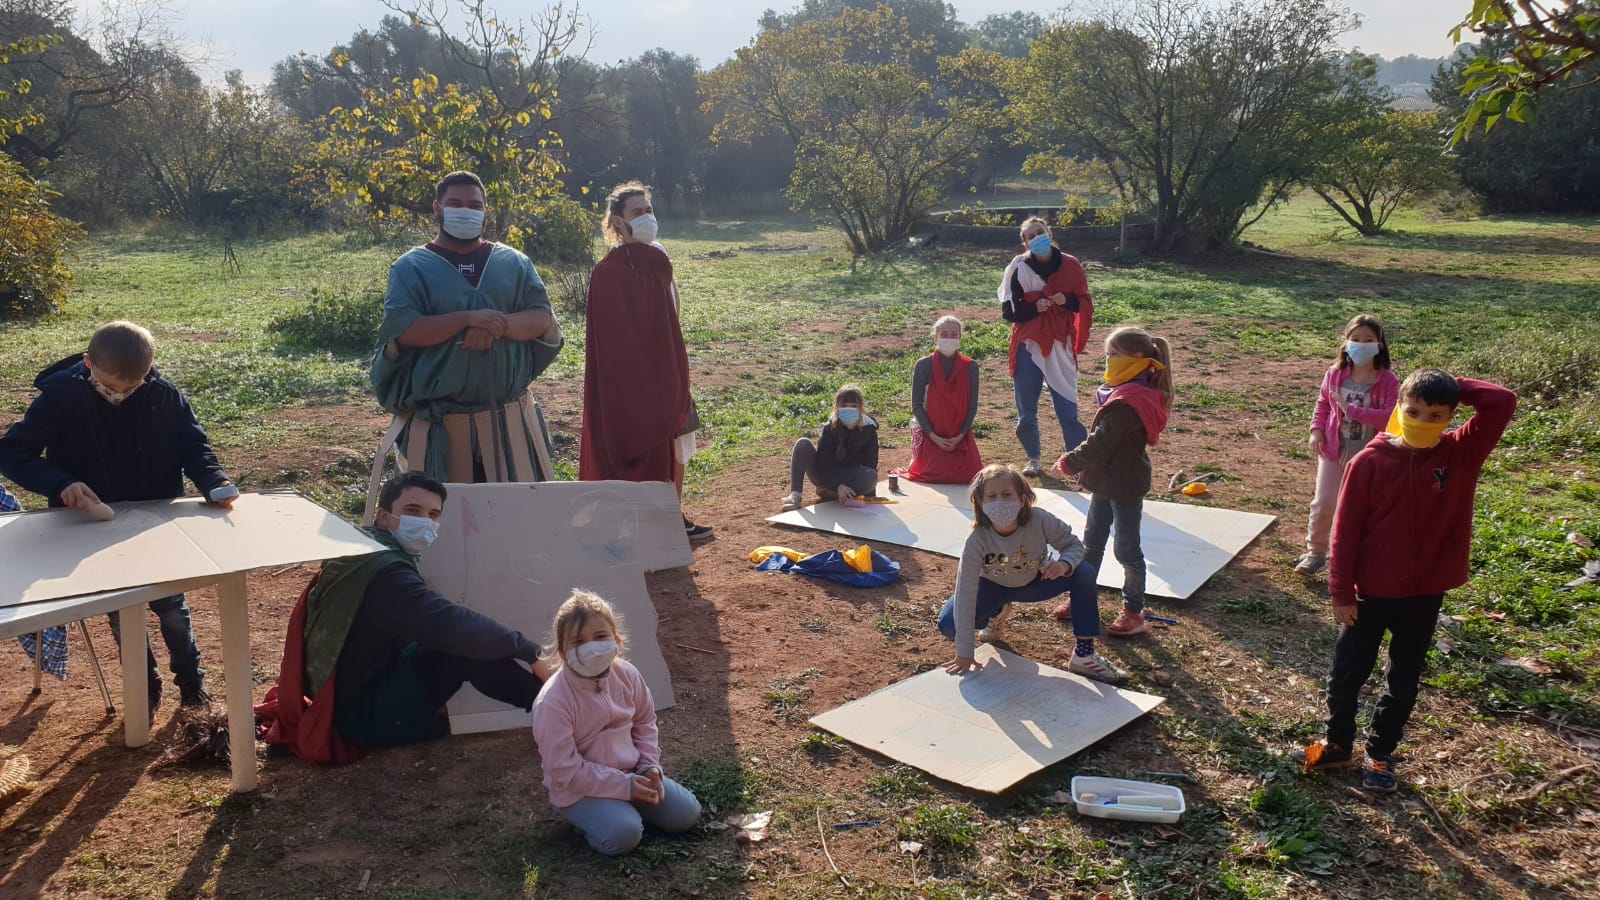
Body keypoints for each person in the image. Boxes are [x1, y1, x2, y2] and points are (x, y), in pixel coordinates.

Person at [1296, 371, 1516, 792]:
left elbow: (1502, 400)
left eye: (1435, 415)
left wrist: (1448, 382)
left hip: (1424, 594)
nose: (1422, 421)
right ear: (1399, 407)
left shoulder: (1461, 452)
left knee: (1404, 676)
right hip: (1370, 594)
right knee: (1347, 673)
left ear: (1452, 417)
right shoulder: (1369, 462)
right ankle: (1338, 744)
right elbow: (1345, 532)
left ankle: (1380, 755)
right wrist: (1341, 591)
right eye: (1413, 411)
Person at [0, 321, 235, 712]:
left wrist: (214, 481)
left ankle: (192, 680)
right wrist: (61, 484)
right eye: (110, 387)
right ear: (88, 364)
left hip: (152, 523)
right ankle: (144, 685)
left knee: (172, 607)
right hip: (90, 528)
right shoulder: (59, 396)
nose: (120, 395)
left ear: (149, 371)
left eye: (132, 387)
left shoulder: (164, 395)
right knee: (123, 611)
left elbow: (193, 444)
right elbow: (12, 452)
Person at [258, 471, 553, 758]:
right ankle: (556, 709)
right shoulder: (387, 576)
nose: (425, 522)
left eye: (433, 514)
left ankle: (554, 704)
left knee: (455, 641)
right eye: (413, 511)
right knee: (463, 650)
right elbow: (450, 624)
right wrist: (529, 650)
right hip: (356, 715)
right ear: (384, 516)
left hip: (340, 693)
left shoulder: (362, 551)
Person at [367, 170, 563, 522]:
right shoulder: (411, 267)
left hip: (509, 423)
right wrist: (465, 319)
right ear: (437, 209)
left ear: (486, 210)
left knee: (517, 522)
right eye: (455, 204)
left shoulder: (513, 262)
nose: (465, 211)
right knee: (442, 528)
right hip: (440, 428)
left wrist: (494, 324)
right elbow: (406, 329)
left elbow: (540, 318)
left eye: (475, 205)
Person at [579, 181, 712, 542]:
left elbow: (672, 308)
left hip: (668, 368)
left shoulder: (658, 257)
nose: (647, 217)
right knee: (643, 444)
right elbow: (614, 341)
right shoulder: (608, 273)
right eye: (637, 213)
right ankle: (635, 526)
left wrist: (670, 360)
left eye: (649, 210)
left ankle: (672, 516)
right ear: (618, 223)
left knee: (679, 440)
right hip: (634, 381)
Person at [531, 588, 702, 856]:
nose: (591, 646)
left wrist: (649, 767)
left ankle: (621, 809)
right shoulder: (553, 701)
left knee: (687, 814)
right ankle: (590, 820)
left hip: (633, 775)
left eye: (600, 636)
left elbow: (645, 722)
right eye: (578, 641)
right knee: (624, 835)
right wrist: (625, 787)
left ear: (616, 640)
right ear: (563, 653)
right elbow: (564, 770)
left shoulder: (628, 675)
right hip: (579, 790)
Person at [939, 464, 1124, 683]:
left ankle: (1084, 653)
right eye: (992, 496)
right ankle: (995, 612)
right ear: (980, 501)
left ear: (1022, 497)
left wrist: (1064, 564)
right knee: (949, 625)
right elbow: (966, 592)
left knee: (1083, 572)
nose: (1001, 501)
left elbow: (1074, 545)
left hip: (1035, 582)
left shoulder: (1040, 519)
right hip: (993, 587)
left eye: (1007, 494)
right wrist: (965, 652)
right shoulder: (977, 540)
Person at [1052, 326, 1173, 637]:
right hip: (1104, 482)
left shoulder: (1130, 402)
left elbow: (1099, 443)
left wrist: (1068, 463)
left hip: (1125, 486)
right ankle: (1082, 598)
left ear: (1137, 358)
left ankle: (1134, 611)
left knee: (1126, 550)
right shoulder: (1124, 394)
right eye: (1107, 355)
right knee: (1091, 544)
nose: (1108, 362)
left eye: (1113, 355)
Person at [1296, 315, 1400, 576]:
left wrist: (1355, 412)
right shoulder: (1335, 373)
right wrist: (1316, 431)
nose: (1361, 345)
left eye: (1368, 340)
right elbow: (1322, 403)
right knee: (1324, 502)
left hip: (1368, 456)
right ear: (1345, 342)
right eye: (1355, 339)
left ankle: (1354, 557)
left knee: (1359, 508)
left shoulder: (1388, 381)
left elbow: (1392, 416)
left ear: (1380, 345)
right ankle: (1315, 552)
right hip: (1333, 450)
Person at [999, 216, 1094, 478]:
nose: (1036, 238)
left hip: (1059, 344)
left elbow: (1083, 303)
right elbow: (1009, 310)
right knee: (1026, 411)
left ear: (1049, 232)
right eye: (1030, 236)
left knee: (1067, 408)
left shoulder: (1071, 265)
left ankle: (1076, 463)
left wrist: (1067, 301)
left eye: (1039, 232)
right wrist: (1033, 308)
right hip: (1028, 343)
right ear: (1025, 243)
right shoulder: (1018, 269)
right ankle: (1033, 458)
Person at [902, 315, 983, 485]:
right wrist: (934, 437)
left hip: (959, 435)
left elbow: (971, 407)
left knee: (969, 475)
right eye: (944, 334)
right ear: (935, 337)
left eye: (954, 335)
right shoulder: (923, 365)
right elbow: (917, 406)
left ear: (960, 337)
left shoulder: (970, 367)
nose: (949, 338)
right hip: (931, 433)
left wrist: (960, 436)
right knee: (931, 473)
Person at [781, 384, 879, 511]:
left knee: (871, 476)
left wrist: (868, 494)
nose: (848, 409)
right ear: (837, 407)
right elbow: (824, 464)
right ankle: (796, 496)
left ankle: (833, 493)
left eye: (853, 406)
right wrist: (838, 485)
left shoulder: (869, 429)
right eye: (844, 406)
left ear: (860, 408)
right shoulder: (829, 428)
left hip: (852, 477)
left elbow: (870, 465)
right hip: (826, 475)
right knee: (803, 443)